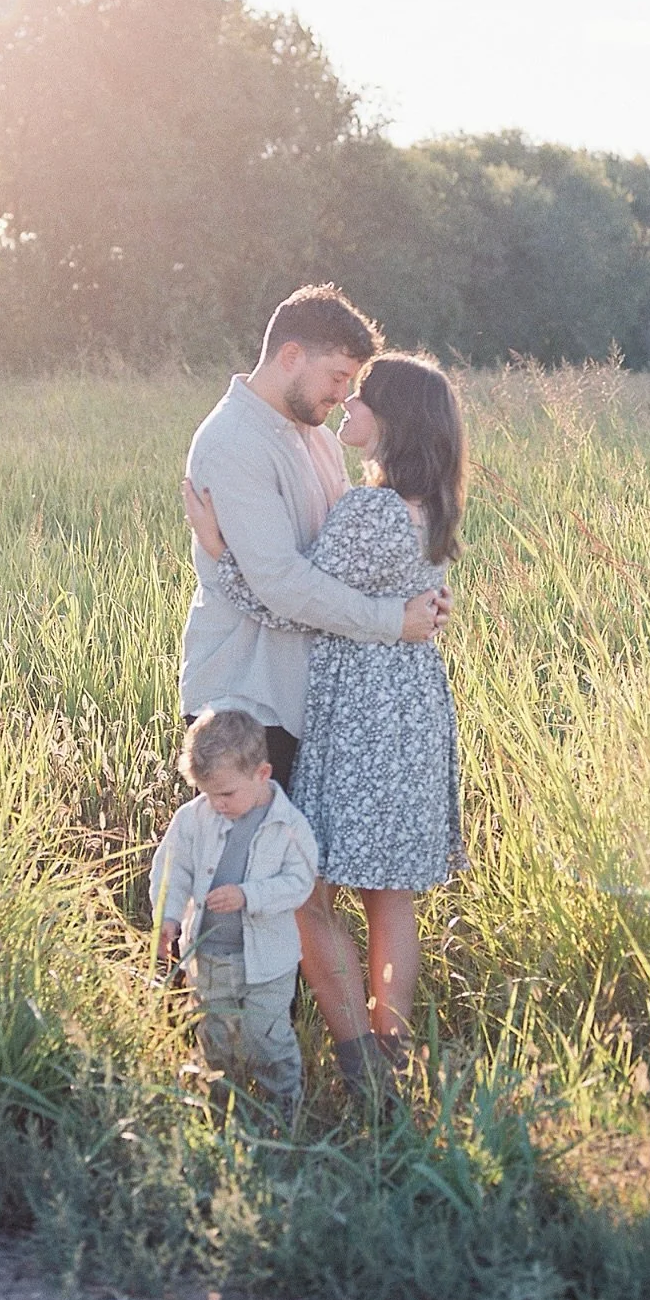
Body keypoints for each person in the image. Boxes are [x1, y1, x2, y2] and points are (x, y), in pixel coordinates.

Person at [185, 351, 467, 1094]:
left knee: (307, 888)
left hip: (363, 714)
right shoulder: (431, 504)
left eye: (362, 398)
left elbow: (293, 599)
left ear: (393, 419)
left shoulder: (370, 509)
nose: (349, 406)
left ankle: (361, 1061)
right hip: (411, 706)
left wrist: (221, 558)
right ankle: (392, 1056)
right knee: (390, 893)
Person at [180, 285, 450, 796]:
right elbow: (282, 583)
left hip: (307, 696)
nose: (344, 395)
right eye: (336, 377)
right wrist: (394, 620)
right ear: (290, 356)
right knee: (254, 868)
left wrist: (417, 593)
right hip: (249, 697)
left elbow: (348, 559)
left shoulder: (320, 436)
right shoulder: (233, 442)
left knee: (307, 864)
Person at [150, 707, 319, 1123]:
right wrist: (168, 917)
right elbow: (172, 869)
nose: (218, 804)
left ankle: (284, 1111)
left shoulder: (288, 825)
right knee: (215, 1034)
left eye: (226, 794)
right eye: (209, 794)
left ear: (262, 774)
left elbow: (300, 881)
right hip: (209, 956)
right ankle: (218, 1110)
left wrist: (249, 896)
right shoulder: (194, 819)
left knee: (267, 1036)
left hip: (267, 962)